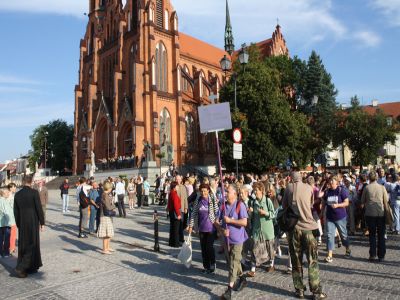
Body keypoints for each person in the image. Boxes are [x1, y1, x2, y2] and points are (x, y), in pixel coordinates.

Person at [283, 171, 326, 300]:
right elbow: (311, 204)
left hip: (294, 229)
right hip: (308, 228)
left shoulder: (288, 188)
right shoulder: (309, 188)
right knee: (312, 260)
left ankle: (299, 290)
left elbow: (284, 207)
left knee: (296, 261)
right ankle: (316, 292)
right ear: (301, 178)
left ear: (291, 178)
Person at [215, 184, 248, 300]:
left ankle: (229, 290)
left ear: (234, 193)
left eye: (228, 192)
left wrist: (231, 221)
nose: (226, 194)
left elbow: (244, 223)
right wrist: (222, 229)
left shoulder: (240, 205)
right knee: (233, 262)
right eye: (226, 192)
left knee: (233, 263)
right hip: (226, 240)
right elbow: (216, 221)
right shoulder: (223, 206)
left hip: (238, 240)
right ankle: (242, 278)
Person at [13, 175, 45, 278]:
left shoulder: (17, 195)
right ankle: (21, 267)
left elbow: (15, 211)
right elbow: (39, 209)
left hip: (22, 222)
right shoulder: (34, 193)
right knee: (33, 244)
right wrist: (42, 223)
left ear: (23, 182)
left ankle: (31, 267)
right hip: (32, 221)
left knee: (23, 244)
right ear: (30, 182)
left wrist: (18, 223)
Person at [247, 182, 275, 277]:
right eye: (254, 190)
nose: (255, 192)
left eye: (256, 190)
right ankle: (253, 269)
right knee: (255, 248)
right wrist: (250, 212)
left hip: (267, 230)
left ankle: (271, 265)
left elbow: (273, 214)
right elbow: (251, 217)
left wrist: (265, 213)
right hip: (256, 230)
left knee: (269, 247)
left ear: (262, 190)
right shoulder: (253, 202)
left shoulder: (267, 201)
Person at [188, 183, 218, 273]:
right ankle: (206, 266)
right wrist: (190, 225)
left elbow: (217, 212)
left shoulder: (212, 199)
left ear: (208, 190)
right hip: (201, 228)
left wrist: (219, 226)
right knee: (203, 248)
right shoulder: (198, 199)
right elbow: (194, 213)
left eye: (205, 191)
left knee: (209, 247)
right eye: (201, 191)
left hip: (211, 228)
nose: (203, 192)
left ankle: (212, 264)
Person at [361, 171, 390, 262]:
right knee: (381, 235)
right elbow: (386, 200)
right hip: (380, 213)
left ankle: (372, 255)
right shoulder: (382, 187)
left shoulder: (366, 188)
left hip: (370, 213)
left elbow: (362, 201)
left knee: (372, 235)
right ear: (376, 178)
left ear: (369, 178)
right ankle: (381, 255)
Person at [322, 176, 351, 263]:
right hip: (330, 217)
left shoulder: (342, 191)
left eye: (332, 182)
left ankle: (347, 248)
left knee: (343, 235)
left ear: (337, 183)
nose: (330, 183)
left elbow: (347, 203)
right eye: (330, 182)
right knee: (329, 235)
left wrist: (338, 205)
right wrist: (322, 212)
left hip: (340, 217)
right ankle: (329, 255)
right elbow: (324, 203)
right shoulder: (327, 191)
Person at [97, 181, 116, 254]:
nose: (111, 188)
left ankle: (107, 247)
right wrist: (114, 205)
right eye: (111, 187)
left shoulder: (105, 194)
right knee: (106, 234)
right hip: (105, 216)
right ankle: (105, 249)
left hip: (106, 215)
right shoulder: (105, 195)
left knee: (109, 233)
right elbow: (108, 206)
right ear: (109, 187)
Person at [0, 189, 15, 258]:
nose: (8, 193)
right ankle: (5, 253)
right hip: (6, 223)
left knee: (1, 238)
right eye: (7, 192)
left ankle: (1, 252)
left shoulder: (3, 200)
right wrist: (11, 222)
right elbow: (7, 212)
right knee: (6, 238)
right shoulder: (3, 201)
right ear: (3, 193)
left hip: (1, 223)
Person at [167, 181, 181, 247]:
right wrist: (178, 214)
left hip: (171, 212)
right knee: (176, 229)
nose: (178, 187)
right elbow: (175, 205)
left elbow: (169, 203)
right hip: (175, 212)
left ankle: (171, 242)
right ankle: (176, 243)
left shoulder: (171, 193)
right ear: (175, 187)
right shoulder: (174, 194)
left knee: (172, 228)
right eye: (177, 186)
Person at [176, 175, 188, 243]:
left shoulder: (183, 187)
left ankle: (181, 237)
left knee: (182, 223)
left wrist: (186, 207)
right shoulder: (174, 187)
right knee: (178, 224)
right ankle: (178, 238)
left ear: (181, 180)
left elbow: (185, 198)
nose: (178, 180)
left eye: (179, 179)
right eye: (177, 179)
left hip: (182, 208)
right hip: (177, 208)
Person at [6, 183, 17, 254]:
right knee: (12, 233)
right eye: (14, 187)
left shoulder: (9, 195)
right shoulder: (10, 196)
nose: (15, 188)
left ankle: (11, 247)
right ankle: (11, 248)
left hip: (9, 217)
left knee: (10, 233)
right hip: (11, 217)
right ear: (10, 188)